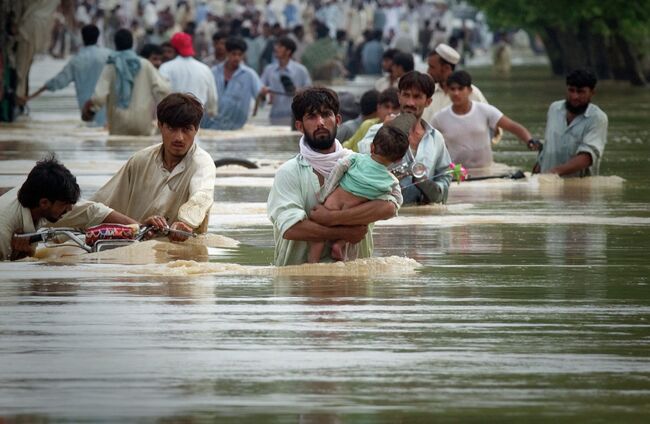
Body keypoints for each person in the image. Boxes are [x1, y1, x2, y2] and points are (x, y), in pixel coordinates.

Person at [267, 87, 400, 266]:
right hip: (300, 287)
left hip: (354, 285)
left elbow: (390, 207)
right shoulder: (289, 172)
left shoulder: (359, 163)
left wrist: (333, 218)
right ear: (300, 126)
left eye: (325, 114)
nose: (320, 122)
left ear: (337, 120)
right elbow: (290, 228)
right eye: (311, 117)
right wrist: (344, 233)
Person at [88, 93, 217, 238]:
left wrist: (186, 222)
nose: (179, 137)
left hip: (180, 251)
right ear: (160, 126)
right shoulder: (140, 160)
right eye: (171, 128)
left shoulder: (202, 163)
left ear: (197, 129)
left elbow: (202, 196)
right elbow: (99, 204)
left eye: (186, 129)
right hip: (135, 246)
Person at [308, 114, 413, 263]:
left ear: (372, 147)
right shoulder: (391, 180)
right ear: (398, 160)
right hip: (355, 215)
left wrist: (324, 193)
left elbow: (339, 168)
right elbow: (397, 201)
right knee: (358, 229)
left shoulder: (355, 159)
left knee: (318, 238)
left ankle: (312, 263)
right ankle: (339, 245)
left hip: (333, 205)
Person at [0, 156, 138, 261]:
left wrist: (138, 228)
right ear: (44, 203)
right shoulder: (3, 231)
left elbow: (92, 212)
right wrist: (21, 256)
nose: (70, 209)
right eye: (65, 204)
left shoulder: (40, 196)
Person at [358, 71, 452, 205]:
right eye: (406, 95)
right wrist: (386, 131)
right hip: (382, 210)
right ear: (399, 97)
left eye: (417, 97)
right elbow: (362, 163)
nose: (410, 102)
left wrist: (433, 190)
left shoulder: (435, 138)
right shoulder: (379, 129)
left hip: (419, 215)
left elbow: (445, 175)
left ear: (428, 101)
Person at [432, 70, 539, 169]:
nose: (456, 93)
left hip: (487, 171)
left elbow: (513, 127)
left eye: (460, 89)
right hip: (457, 174)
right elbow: (426, 143)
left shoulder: (485, 111)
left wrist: (530, 141)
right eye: (452, 89)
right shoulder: (439, 118)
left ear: (469, 90)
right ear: (448, 90)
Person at [82, 29, 171, 136]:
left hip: (118, 123)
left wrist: (91, 110)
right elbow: (164, 90)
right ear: (132, 43)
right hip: (142, 123)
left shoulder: (111, 66)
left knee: (117, 150)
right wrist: (164, 117)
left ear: (115, 44)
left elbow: (99, 97)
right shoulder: (145, 64)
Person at [22, 24, 112, 127]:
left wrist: (30, 96)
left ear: (82, 38)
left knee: (89, 138)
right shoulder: (109, 56)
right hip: (109, 116)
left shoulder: (76, 61)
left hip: (87, 114)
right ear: (97, 37)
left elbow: (58, 81)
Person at [534, 69, 608, 177]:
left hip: (579, 189)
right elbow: (547, 146)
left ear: (592, 93)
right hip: (547, 185)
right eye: (571, 90)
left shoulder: (598, 118)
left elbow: (587, 157)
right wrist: (537, 169)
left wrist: (553, 173)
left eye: (581, 92)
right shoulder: (554, 109)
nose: (574, 96)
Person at [202, 37, 263, 130]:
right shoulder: (214, 72)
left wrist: (263, 94)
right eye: (233, 54)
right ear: (227, 53)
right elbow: (203, 97)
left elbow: (261, 100)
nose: (236, 58)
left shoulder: (250, 75)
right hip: (210, 125)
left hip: (236, 128)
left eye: (240, 55)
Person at [422, 43, 488, 123]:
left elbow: (492, 124)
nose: (428, 71)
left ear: (446, 68)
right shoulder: (427, 93)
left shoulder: (472, 93)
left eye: (432, 67)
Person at [159, 32, 218, 119]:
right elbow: (212, 98)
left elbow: (160, 94)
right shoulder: (205, 69)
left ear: (174, 48)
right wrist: (212, 111)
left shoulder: (166, 68)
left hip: (171, 119)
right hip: (196, 120)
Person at [260, 36, 312, 126]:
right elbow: (260, 91)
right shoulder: (269, 70)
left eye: (280, 47)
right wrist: (264, 93)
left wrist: (299, 92)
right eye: (276, 46)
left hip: (295, 117)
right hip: (275, 116)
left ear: (288, 51)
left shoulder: (301, 70)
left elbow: (311, 94)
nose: (276, 48)